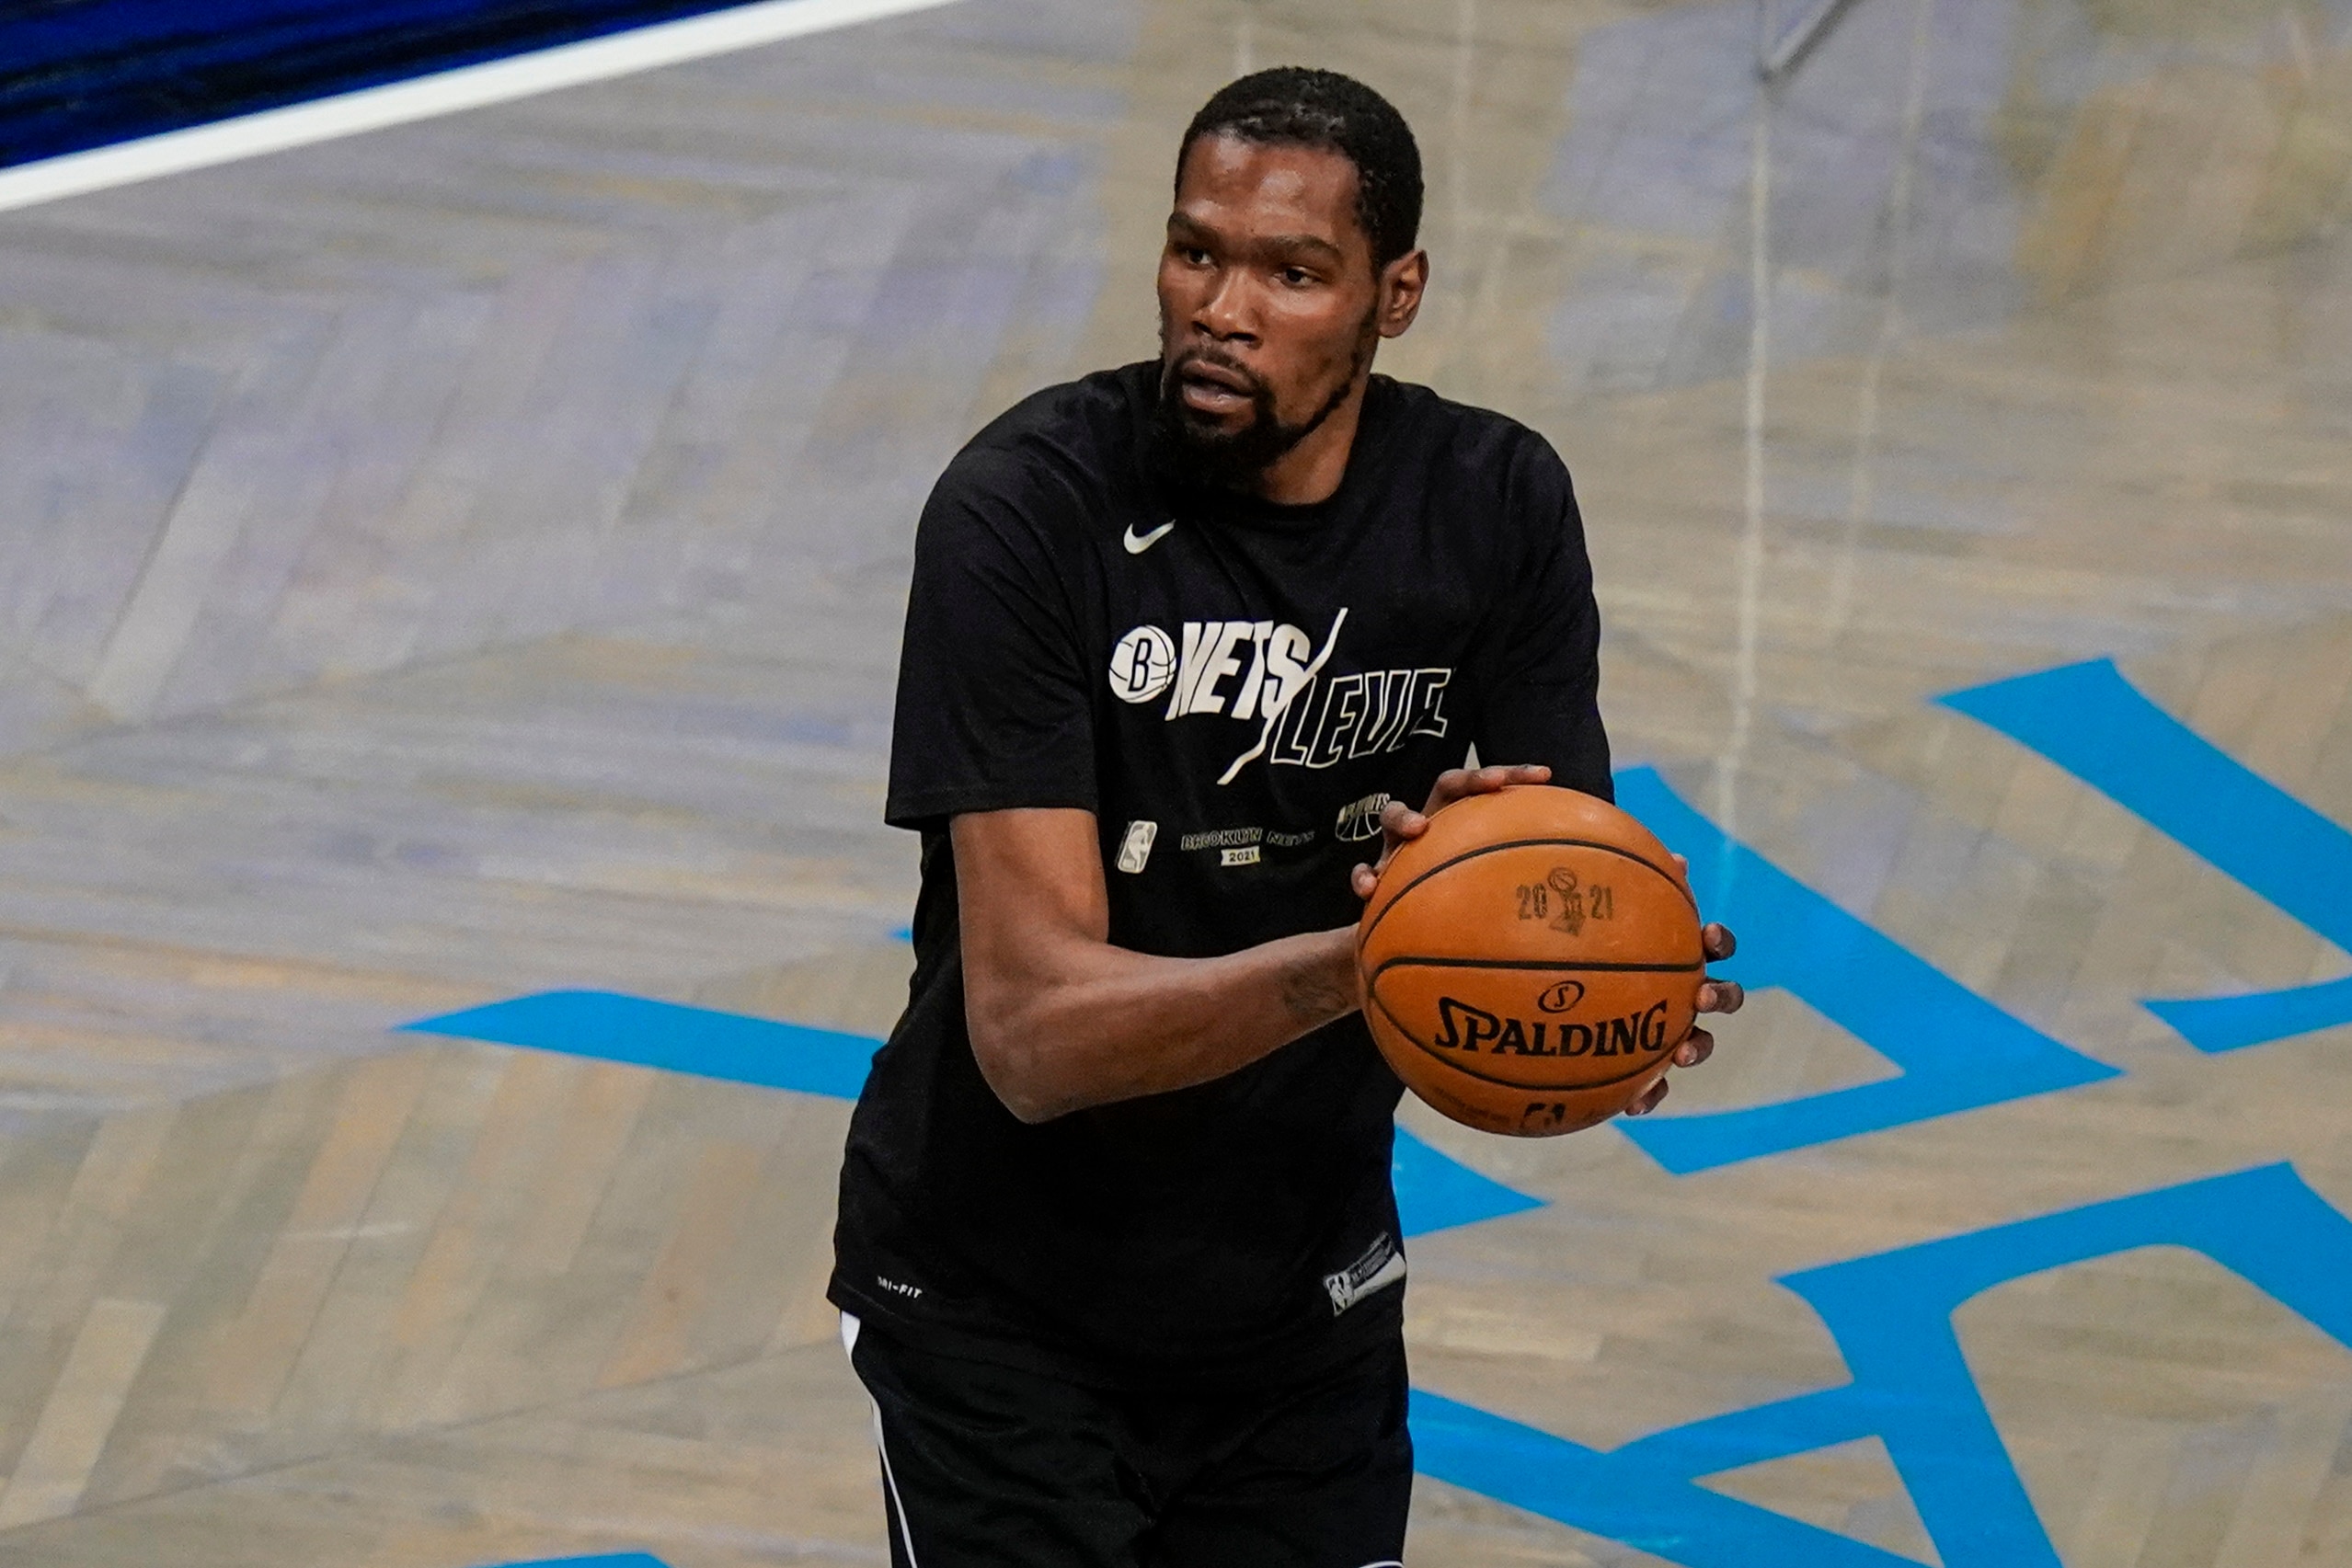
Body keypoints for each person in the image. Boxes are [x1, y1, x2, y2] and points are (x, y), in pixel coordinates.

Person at [829, 66, 1740, 1568]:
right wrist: (1368, 951)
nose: (1221, 306)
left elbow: (1552, 873)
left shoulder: (1493, 502)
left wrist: (1611, 989)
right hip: (1003, 1319)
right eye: (1197, 252)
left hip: (1299, 1307)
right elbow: (1034, 1034)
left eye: (1292, 272)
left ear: (1396, 296)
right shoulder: (1024, 513)